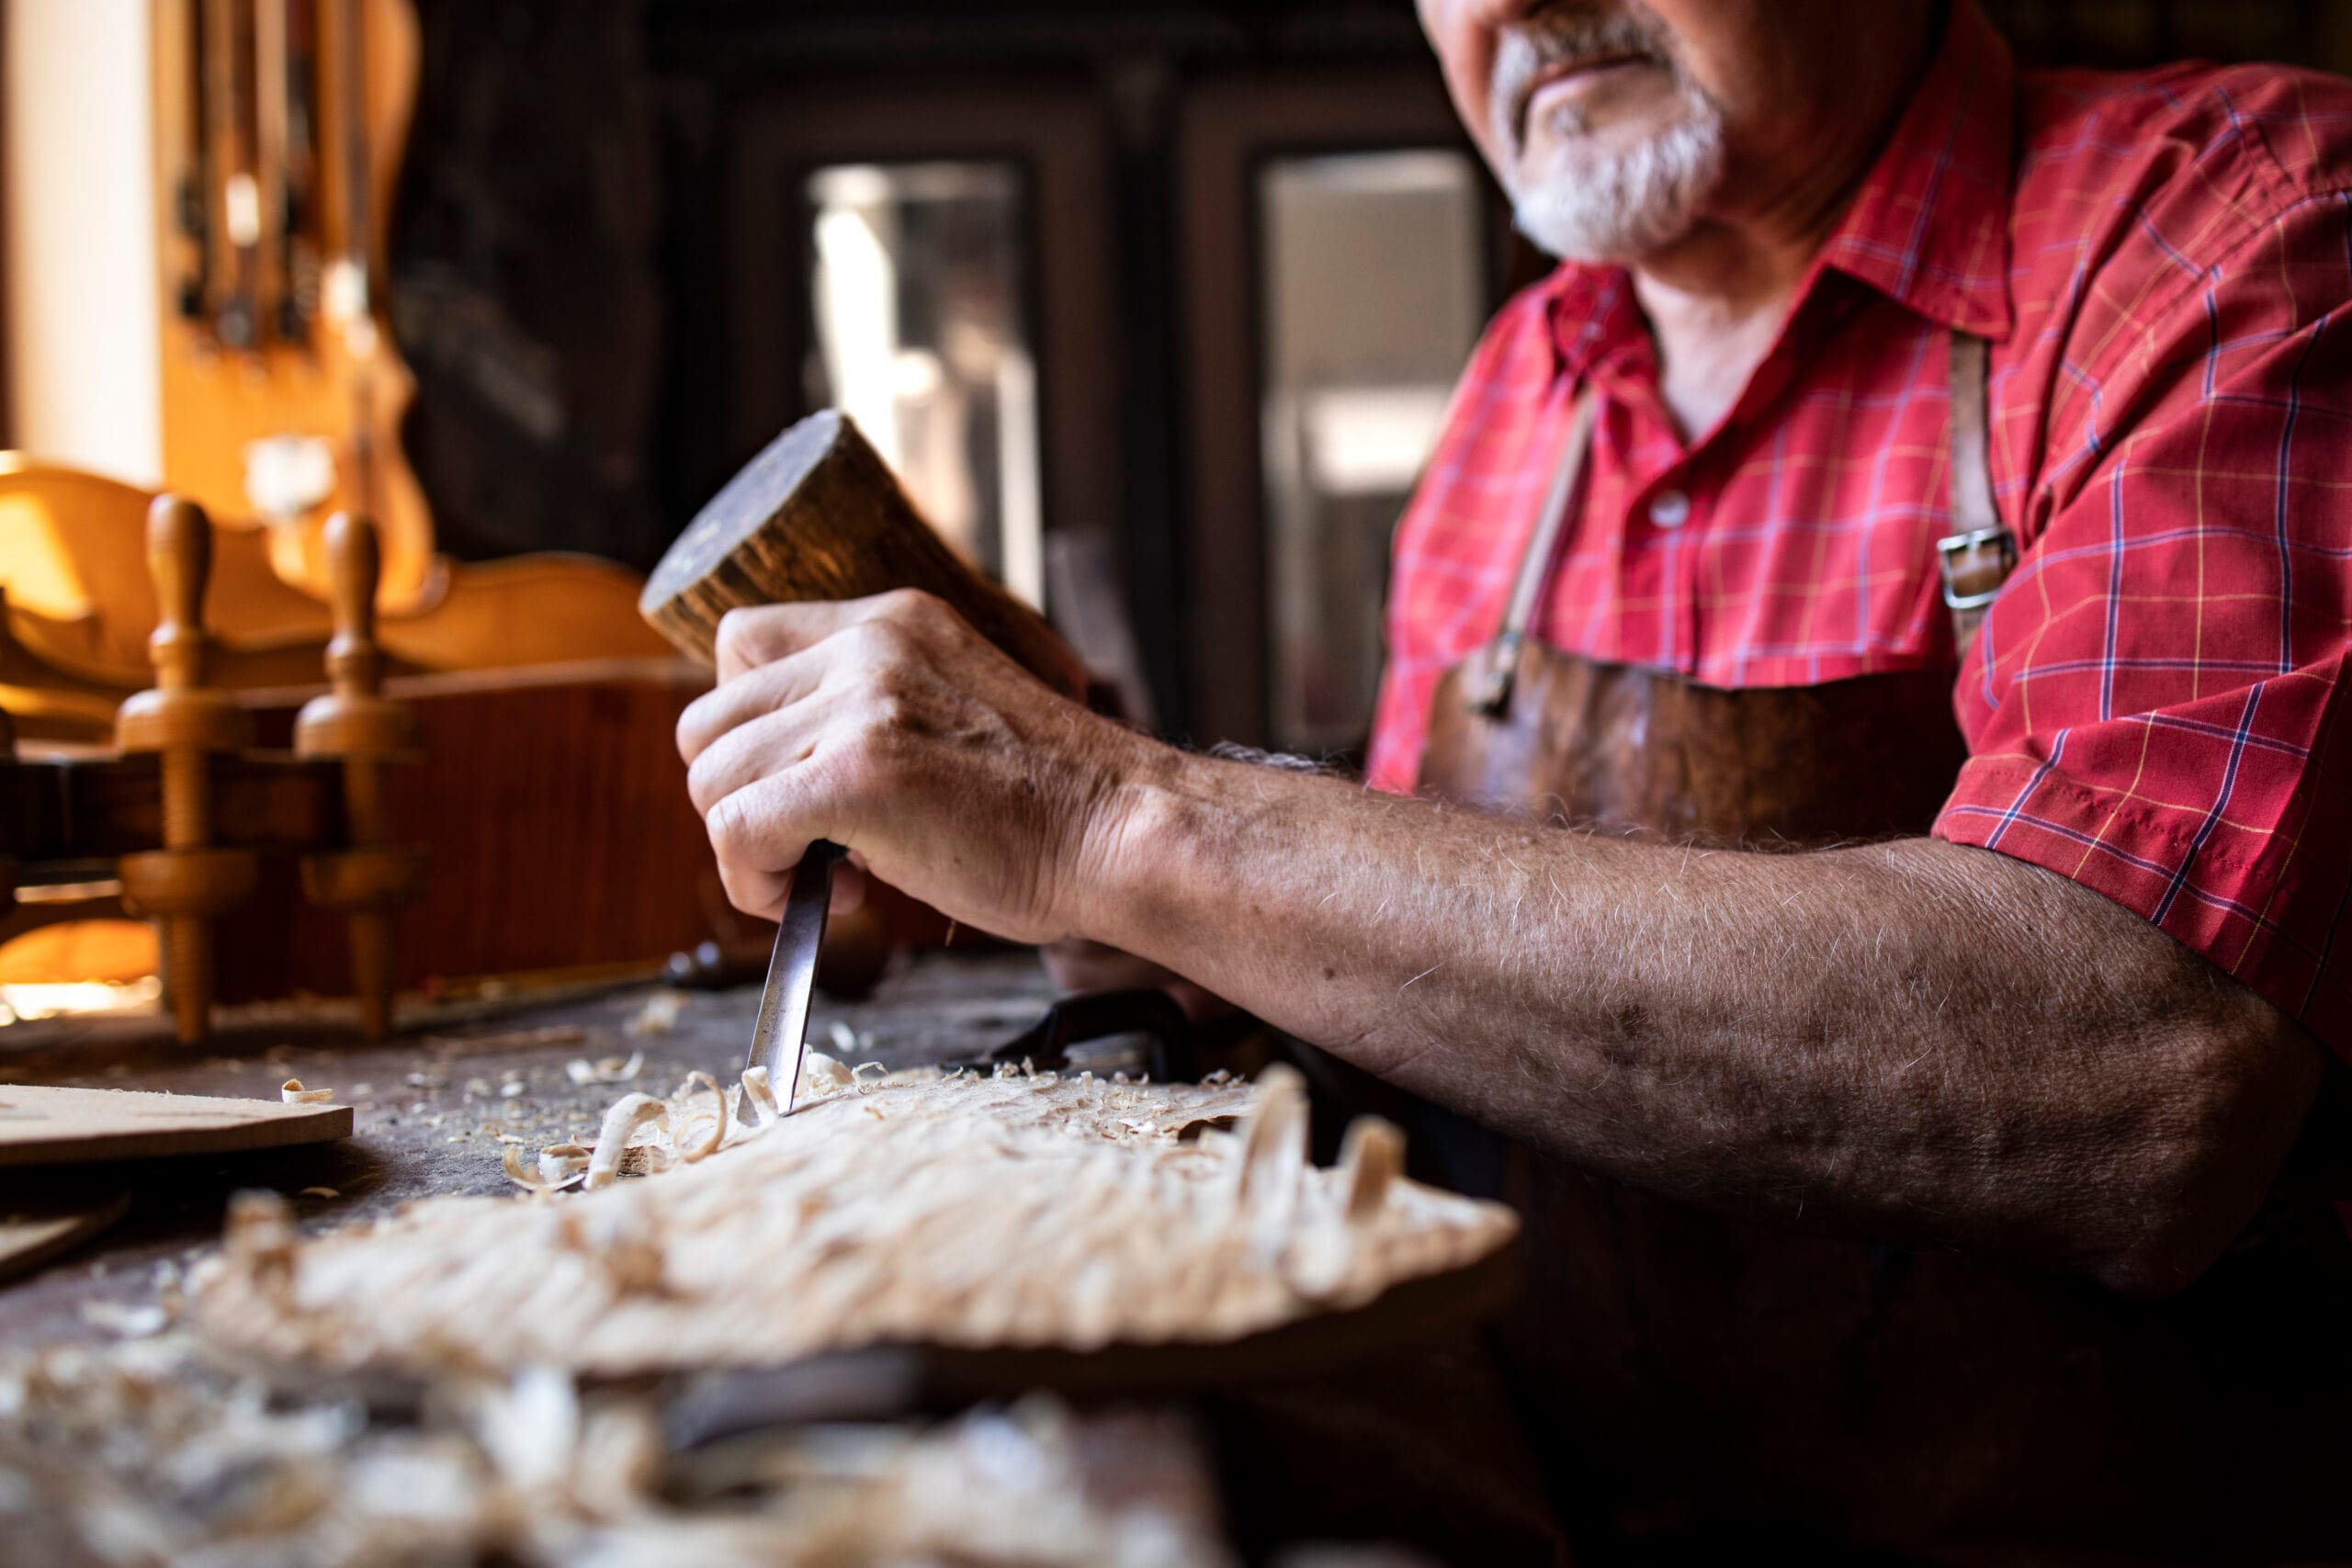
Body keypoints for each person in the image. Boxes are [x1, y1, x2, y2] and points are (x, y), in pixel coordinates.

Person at [676, 1, 2352, 1557]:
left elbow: (2135, 1079)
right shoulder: (1519, 398)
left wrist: (1115, 819)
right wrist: (1148, 939)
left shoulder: (2233, 232)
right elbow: (1416, 1015)